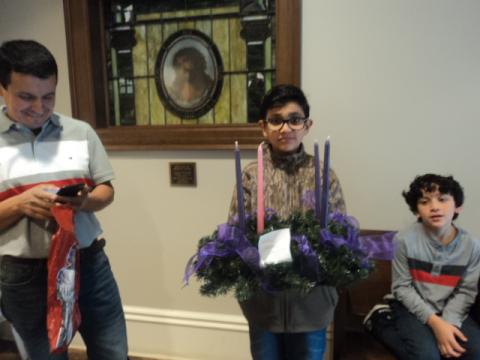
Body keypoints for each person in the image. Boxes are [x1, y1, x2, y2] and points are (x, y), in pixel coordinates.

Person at [0, 40, 128, 359]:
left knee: (112, 350)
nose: (40, 107)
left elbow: (105, 190)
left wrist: (85, 202)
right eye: (26, 97)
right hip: (24, 274)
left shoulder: (80, 132)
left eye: (48, 96)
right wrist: (20, 204)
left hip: (88, 262)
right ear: (2, 88)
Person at [228, 84, 346, 359]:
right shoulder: (250, 176)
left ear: (307, 125)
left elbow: (340, 236)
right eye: (276, 120)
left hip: (312, 305)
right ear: (263, 126)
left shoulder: (322, 175)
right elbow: (236, 233)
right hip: (263, 305)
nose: (286, 128)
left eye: (294, 119)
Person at [364, 174, 480, 359]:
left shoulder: (472, 246)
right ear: (416, 210)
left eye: (442, 200)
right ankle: (379, 321)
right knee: (427, 356)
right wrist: (436, 323)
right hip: (409, 306)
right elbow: (402, 288)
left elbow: (466, 291)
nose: (434, 207)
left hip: (449, 307)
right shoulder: (404, 240)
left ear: (457, 206)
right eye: (425, 202)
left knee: (474, 352)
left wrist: (447, 324)